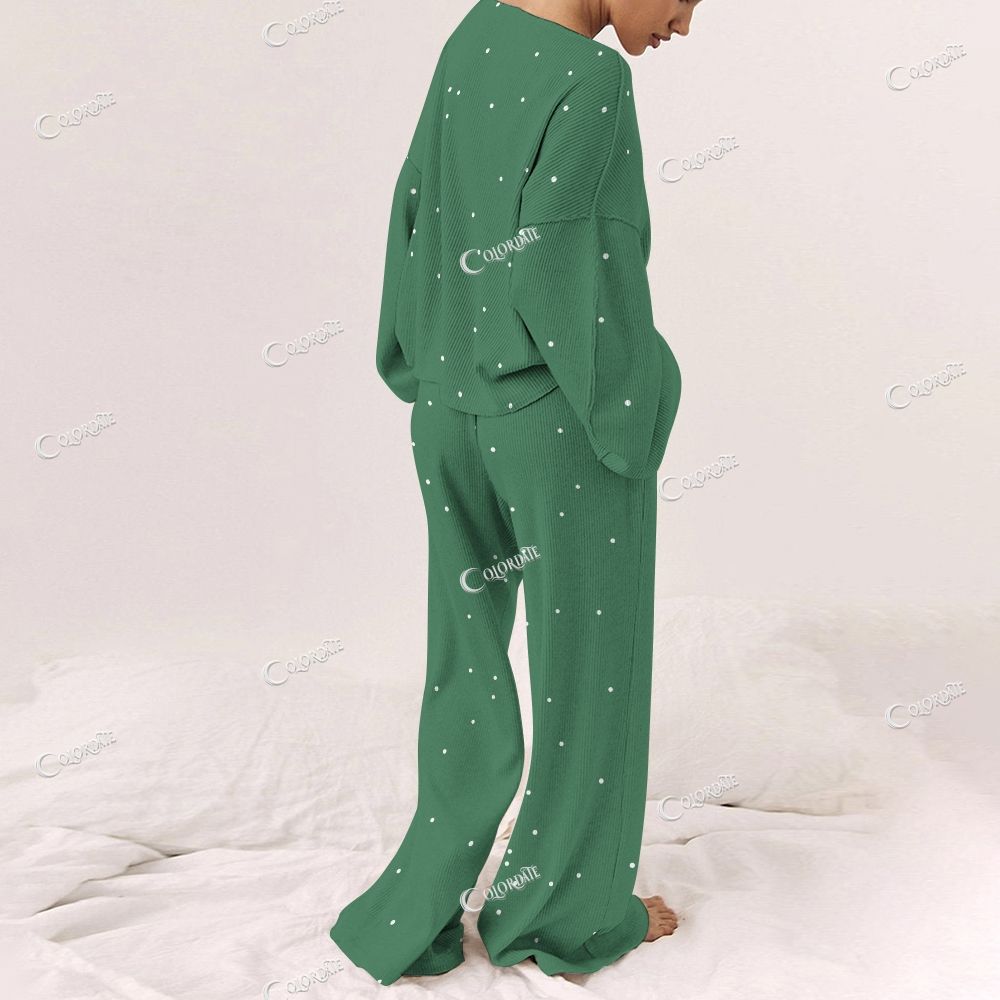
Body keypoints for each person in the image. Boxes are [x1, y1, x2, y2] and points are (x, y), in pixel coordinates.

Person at [329, 0, 699, 985]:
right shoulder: (594, 78)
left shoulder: (476, 33)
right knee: (591, 674)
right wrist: (641, 398)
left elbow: (414, 203)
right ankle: (564, 914)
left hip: (446, 413)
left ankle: (409, 913)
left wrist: (416, 359)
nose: (684, 22)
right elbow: (573, 262)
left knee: (465, 665)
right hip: (556, 420)